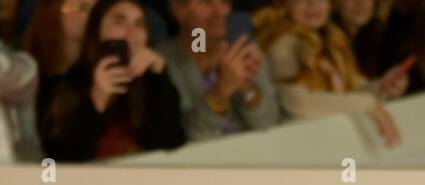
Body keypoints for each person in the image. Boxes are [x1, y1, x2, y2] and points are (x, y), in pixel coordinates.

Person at [38, 0, 185, 160]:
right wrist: (96, 101)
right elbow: (59, 161)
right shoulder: (58, 87)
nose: (131, 32)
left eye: (139, 24)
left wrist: (159, 78)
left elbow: (172, 150)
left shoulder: (153, 84)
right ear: (97, 29)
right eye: (119, 22)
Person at [252, 0, 407, 146]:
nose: (313, 5)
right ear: (285, 3)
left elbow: (354, 91)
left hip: (334, 141)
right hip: (302, 145)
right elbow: (299, 103)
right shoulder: (282, 43)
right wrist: (368, 103)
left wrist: (382, 86)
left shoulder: (331, 37)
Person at [160, 0, 281, 140]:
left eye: (224, 1)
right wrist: (222, 91)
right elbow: (190, 139)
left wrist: (247, 87)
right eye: (206, 2)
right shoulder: (162, 64)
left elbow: (269, 125)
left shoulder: (243, 50)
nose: (220, 12)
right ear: (178, 10)